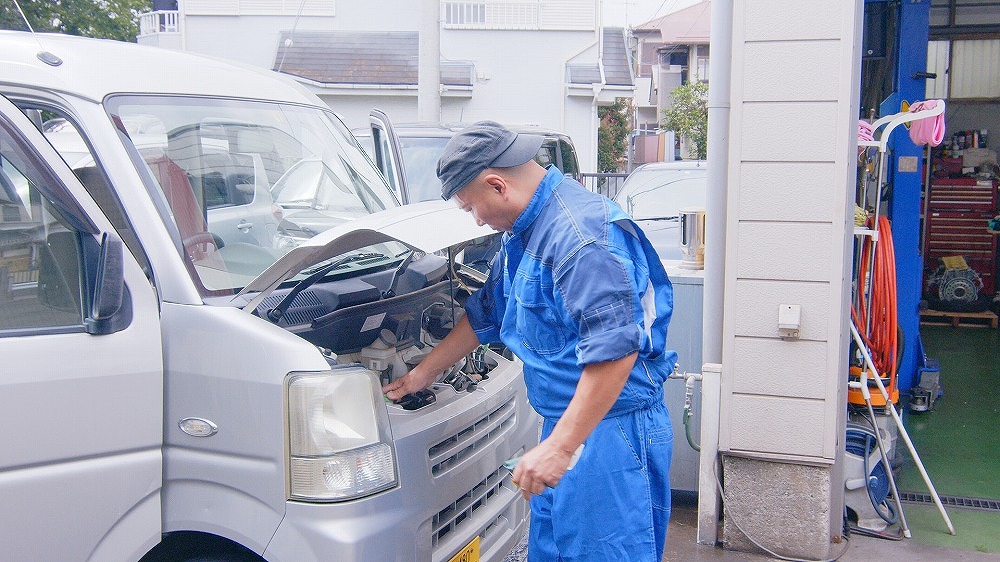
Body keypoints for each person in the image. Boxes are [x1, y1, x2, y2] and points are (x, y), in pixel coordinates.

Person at [382, 121, 677, 561]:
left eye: (471, 208)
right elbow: (489, 311)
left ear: (497, 185)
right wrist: (424, 373)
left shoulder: (580, 239)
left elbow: (616, 351)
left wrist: (561, 447)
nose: (476, 219)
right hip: (571, 426)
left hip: (610, 433)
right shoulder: (526, 232)